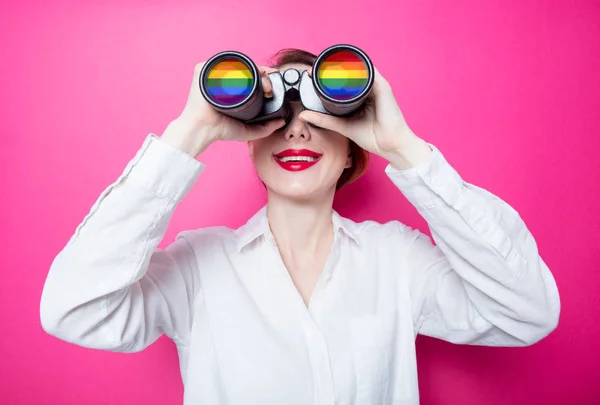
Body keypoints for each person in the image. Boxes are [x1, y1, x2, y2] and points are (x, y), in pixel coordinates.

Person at [39, 48, 560, 405]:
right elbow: (73, 311)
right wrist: (190, 131)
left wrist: (404, 146)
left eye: (318, 114)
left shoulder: (397, 260)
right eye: (277, 114)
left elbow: (528, 313)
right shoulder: (197, 267)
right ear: (249, 136)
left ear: (352, 145)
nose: (298, 129)